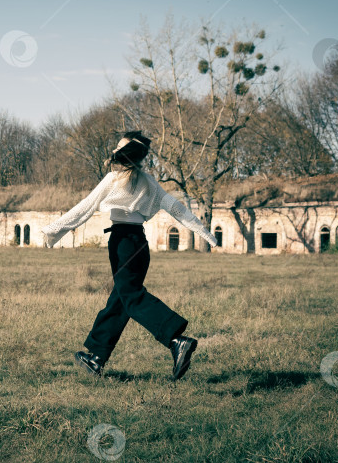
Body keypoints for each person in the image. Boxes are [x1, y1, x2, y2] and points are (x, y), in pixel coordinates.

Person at [41, 131, 218, 380]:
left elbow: (86, 206)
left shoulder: (113, 179)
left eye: (118, 146)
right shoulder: (149, 182)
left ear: (124, 153)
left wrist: (52, 230)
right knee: (120, 300)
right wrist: (205, 232)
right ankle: (96, 357)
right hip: (139, 244)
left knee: (131, 297)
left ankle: (176, 340)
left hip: (123, 243)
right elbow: (177, 208)